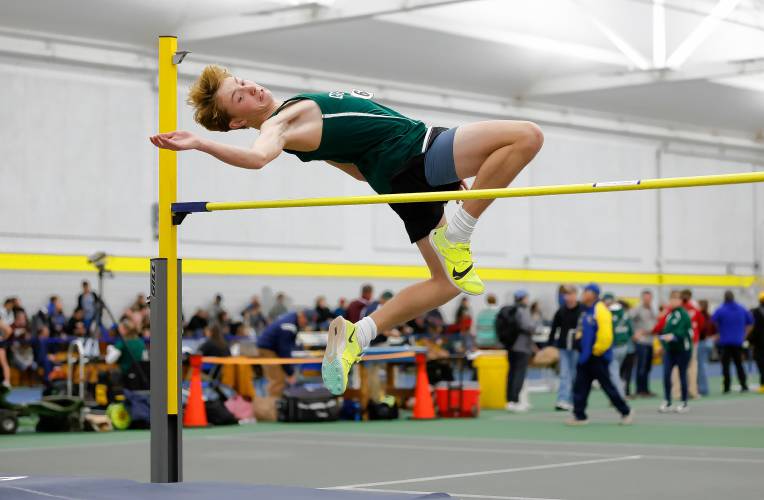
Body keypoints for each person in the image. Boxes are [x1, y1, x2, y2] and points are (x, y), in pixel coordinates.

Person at [150, 66, 543, 395]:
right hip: (414, 149)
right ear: (238, 120)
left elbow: (356, 170)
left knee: (445, 283)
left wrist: (437, 181)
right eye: (240, 96)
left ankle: (360, 334)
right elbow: (256, 158)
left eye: (243, 82)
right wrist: (200, 144)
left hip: (397, 174)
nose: (251, 87)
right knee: (526, 136)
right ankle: (459, 231)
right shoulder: (281, 122)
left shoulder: (296, 132)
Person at [568, 284, 632, 426]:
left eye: (586, 291)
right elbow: (580, 329)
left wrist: (597, 350)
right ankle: (580, 416)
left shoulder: (601, 310)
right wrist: (579, 342)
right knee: (580, 386)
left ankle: (625, 411)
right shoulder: (585, 311)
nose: (583, 294)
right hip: (585, 356)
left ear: (593, 294)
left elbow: (606, 334)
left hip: (597, 357)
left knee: (607, 386)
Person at [653, 291, 693, 413]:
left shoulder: (684, 315)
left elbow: (681, 333)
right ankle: (667, 401)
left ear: (681, 301)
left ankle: (684, 402)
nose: (673, 302)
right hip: (670, 351)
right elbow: (664, 331)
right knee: (666, 375)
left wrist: (673, 337)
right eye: (671, 299)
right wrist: (663, 344)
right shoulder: (669, 315)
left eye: (676, 299)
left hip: (682, 350)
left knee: (682, 375)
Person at [256, 310, 311, 397]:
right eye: (306, 321)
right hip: (268, 350)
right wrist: (290, 373)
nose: (306, 324)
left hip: (271, 349)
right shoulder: (289, 326)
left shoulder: (291, 319)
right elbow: (284, 350)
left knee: (279, 379)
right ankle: (272, 408)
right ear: (302, 316)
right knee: (278, 380)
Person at [712, 290, 753, 393]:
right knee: (739, 364)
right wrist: (744, 335)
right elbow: (751, 323)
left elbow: (712, 322)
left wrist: (719, 332)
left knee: (725, 365)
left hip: (725, 341)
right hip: (738, 341)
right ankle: (744, 385)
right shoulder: (741, 308)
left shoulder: (721, 309)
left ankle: (726, 387)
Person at [548, 285, 581, 411]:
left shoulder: (582, 310)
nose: (568, 297)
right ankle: (562, 400)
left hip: (577, 348)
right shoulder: (561, 311)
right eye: (566, 295)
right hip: (563, 348)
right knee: (564, 374)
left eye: (570, 294)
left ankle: (574, 400)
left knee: (575, 375)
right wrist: (550, 345)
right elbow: (554, 328)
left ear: (575, 294)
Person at [505, 290, 535, 413]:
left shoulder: (511, 310)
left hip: (511, 346)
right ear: (522, 298)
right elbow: (529, 326)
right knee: (519, 373)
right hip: (522, 347)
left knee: (512, 373)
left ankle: (510, 400)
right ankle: (516, 400)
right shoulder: (522, 311)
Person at [672, 289, 703, 399]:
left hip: (679, 342)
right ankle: (692, 391)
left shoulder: (676, 310)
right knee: (692, 367)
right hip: (691, 341)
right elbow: (701, 323)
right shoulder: (694, 309)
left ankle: (677, 392)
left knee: (677, 367)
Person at [603, 292, 632, 399]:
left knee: (613, 372)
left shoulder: (609, 314)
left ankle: (619, 395)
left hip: (614, 346)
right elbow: (631, 331)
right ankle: (620, 392)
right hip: (624, 346)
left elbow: (608, 332)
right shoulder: (625, 315)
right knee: (617, 371)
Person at [630, 290, 657, 397]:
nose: (647, 300)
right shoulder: (637, 308)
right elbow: (628, 319)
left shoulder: (652, 309)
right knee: (641, 367)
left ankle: (645, 389)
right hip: (641, 341)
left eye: (649, 298)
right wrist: (633, 334)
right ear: (642, 298)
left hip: (650, 341)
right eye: (645, 298)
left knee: (647, 367)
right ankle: (639, 390)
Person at [696, 299, 715, 396]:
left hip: (702, 342)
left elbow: (701, 329)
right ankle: (702, 387)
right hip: (708, 342)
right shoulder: (710, 317)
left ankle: (703, 389)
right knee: (703, 365)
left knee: (700, 366)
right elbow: (715, 331)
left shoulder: (701, 316)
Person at [750, 292, 764, 393]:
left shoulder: (754, 312)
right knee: (760, 363)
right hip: (758, 343)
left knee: (761, 363)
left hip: (758, 343)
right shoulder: (754, 312)